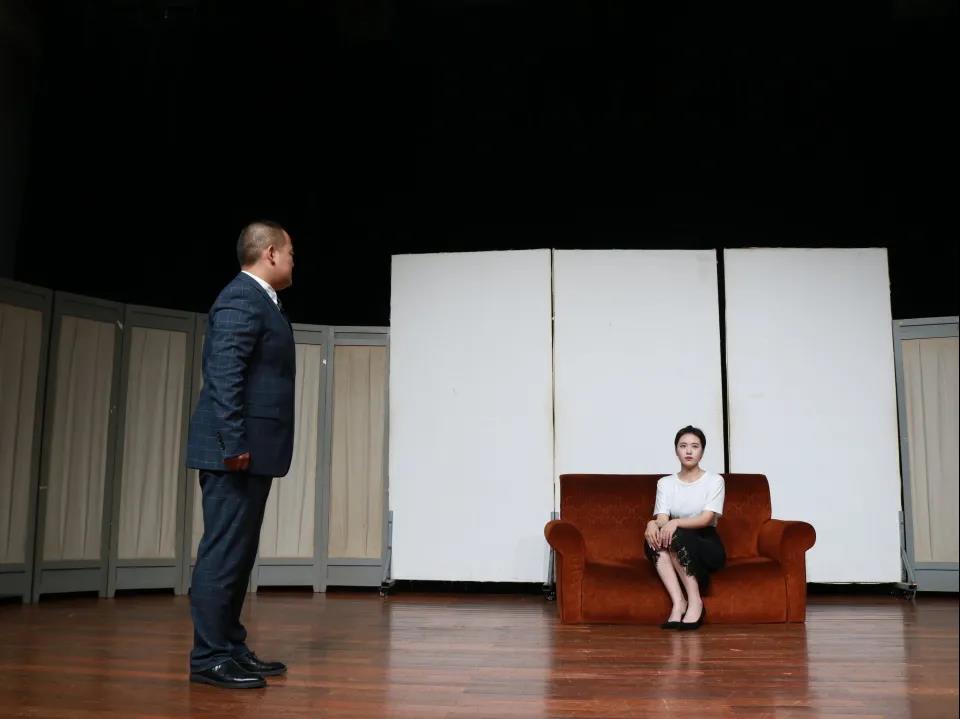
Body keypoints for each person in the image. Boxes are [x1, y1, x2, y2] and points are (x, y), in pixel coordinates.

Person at [185, 220, 296, 688]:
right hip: (233, 453)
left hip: (250, 453)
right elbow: (224, 374)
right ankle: (208, 657)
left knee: (239, 554)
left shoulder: (261, 300)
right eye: (290, 253)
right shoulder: (240, 298)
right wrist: (233, 443)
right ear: (269, 253)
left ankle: (230, 647)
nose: (293, 261)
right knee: (223, 554)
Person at [643, 425, 726, 631]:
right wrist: (651, 523)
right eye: (683, 446)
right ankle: (679, 602)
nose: (689, 451)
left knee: (675, 535)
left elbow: (706, 519)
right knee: (652, 540)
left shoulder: (715, 480)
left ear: (702, 451)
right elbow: (662, 519)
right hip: (679, 538)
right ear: (676, 450)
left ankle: (695, 602)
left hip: (707, 544)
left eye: (695, 446)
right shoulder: (665, 483)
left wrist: (676, 522)